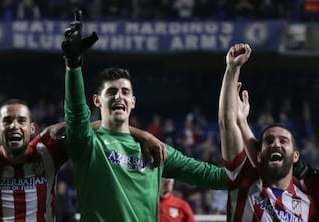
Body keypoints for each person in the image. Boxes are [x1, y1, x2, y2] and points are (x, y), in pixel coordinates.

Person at [61, 9, 226, 221]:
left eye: (125, 92)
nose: (119, 96)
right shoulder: (88, 144)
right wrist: (73, 66)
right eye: (111, 92)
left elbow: (208, 175)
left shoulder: (155, 149)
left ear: (133, 102)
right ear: (96, 101)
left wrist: (254, 171)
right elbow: (76, 114)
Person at [0, 99, 166, 221]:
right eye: (7, 121)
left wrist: (142, 135)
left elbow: (96, 129)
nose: (14, 125)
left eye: (21, 120)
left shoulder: (48, 152)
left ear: (32, 129)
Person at [218, 43, 318, 221]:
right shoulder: (243, 179)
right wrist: (232, 68)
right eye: (269, 141)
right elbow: (227, 123)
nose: (276, 144)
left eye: (283, 141)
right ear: (258, 155)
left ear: (296, 156)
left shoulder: (309, 203)